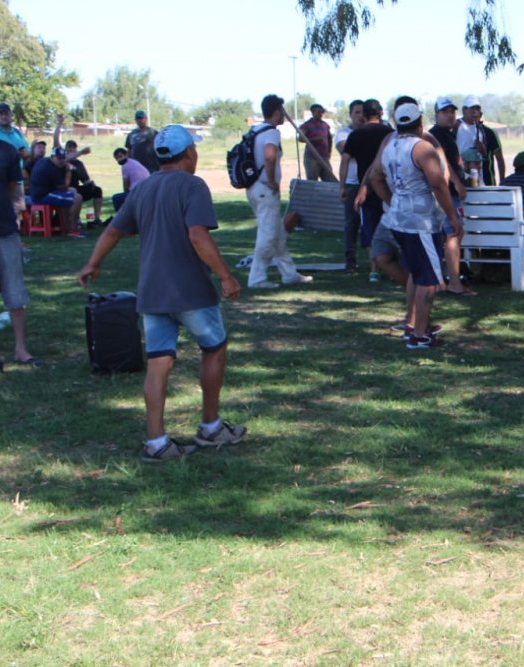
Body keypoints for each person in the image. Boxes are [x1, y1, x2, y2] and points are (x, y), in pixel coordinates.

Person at [77, 124, 245, 462]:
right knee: (214, 347)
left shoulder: (143, 188)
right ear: (190, 154)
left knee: (158, 362)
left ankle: (156, 441)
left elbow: (113, 230)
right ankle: (211, 427)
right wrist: (226, 276)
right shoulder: (193, 185)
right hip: (190, 291)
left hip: (152, 293)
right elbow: (198, 236)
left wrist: (92, 263)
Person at [370, 102, 463, 349]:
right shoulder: (422, 148)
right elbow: (438, 184)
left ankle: (414, 325)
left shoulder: (390, 146)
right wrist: (452, 217)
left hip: (398, 219)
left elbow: (374, 177)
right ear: (420, 123)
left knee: (416, 272)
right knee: (429, 280)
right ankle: (419, 335)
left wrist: (392, 200)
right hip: (420, 221)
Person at [0, 95, 41, 365]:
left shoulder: (6, 151)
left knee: (15, 294)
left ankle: (21, 350)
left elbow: (14, 191)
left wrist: (16, 213)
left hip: (3, 232)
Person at [246, 94, 313, 289]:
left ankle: (289, 274)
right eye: (282, 111)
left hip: (253, 188)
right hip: (265, 189)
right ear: (277, 112)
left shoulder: (254, 130)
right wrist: (271, 180)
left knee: (278, 234)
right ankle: (256, 278)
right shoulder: (271, 133)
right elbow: (269, 155)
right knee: (267, 235)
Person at [343, 99, 394, 282]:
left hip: (366, 189)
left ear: (363, 114)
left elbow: (345, 160)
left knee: (370, 228)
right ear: (380, 113)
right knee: (391, 225)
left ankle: (374, 269)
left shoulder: (356, 135)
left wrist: (342, 185)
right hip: (387, 187)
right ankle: (394, 264)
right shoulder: (389, 134)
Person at [428, 96, 475, 296]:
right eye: (445, 112)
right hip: (446, 192)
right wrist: (456, 182)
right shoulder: (435, 135)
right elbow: (443, 162)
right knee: (454, 233)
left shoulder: (446, 134)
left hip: (446, 192)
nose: (450, 116)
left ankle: (442, 279)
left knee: (448, 235)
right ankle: (454, 282)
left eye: (452, 112)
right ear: (436, 115)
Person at [335, 99, 365, 271]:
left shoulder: (370, 132)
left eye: (363, 112)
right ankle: (350, 259)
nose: (360, 116)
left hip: (370, 183)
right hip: (352, 183)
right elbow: (344, 149)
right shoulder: (343, 133)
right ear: (350, 114)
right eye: (357, 112)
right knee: (351, 223)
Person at [28, 146, 84, 237]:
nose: (62, 161)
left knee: (73, 191)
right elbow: (65, 186)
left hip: (42, 191)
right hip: (42, 196)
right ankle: (73, 228)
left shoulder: (46, 161)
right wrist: (69, 171)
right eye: (59, 158)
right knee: (77, 198)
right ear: (53, 157)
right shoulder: (50, 169)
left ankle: (66, 225)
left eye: (63, 158)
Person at [455, 95, 504, 186]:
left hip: (478, 179)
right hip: (462, 177)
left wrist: (482, 150)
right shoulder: (456, 125)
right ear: (464, 110)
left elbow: (485, 156)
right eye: (472, 108)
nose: (475, 111)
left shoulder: (480, 129)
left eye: (477, 108)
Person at [0, 102, 28, 212]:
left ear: (11, 115)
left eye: (6, 114)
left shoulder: (17, 132)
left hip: (16, 175)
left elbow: (27, 150)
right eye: (0, 114)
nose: (3, 116)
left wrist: (26, 153)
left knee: (18, 207)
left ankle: (14, 228)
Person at [64, 139, 103, 225]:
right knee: (75, 193)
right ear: (65, 149)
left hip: (77, 187)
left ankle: (97, 218)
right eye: (69, 148)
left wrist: (90, 184)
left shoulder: (79, 163)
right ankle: (75, 219)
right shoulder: (62, 161)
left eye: (73, 148)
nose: (71, 150)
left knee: (97, 190)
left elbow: (85, 179)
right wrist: (82, 152)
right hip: (65, 188)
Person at [298, 103, 337, 182]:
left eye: (321, 112)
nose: (320, 114)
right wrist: (314, 139)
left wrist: (329, 153)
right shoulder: (307, 125)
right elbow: (300, 138)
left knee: (330, 180)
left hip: (324, 157)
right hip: (311, 158)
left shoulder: (325, 125)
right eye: (318, 112)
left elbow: (329, 139)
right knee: (312, 181)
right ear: (312, 112)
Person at [111, 147, 150, 212]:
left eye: (120, 156)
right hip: (146, 189)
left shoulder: (125, 166)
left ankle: (120, 217)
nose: (119, 159)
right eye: (116, 158)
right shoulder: (135, 162)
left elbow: (125, 185)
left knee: (116, 198)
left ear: (126, 155)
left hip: (138, 192)